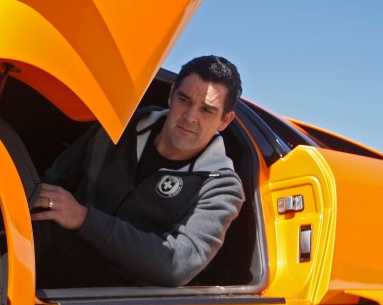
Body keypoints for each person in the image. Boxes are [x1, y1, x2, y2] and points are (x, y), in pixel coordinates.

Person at [31, 55, 245, 288]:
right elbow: (55, 178)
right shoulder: (121, 125)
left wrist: (84, 218)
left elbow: (176, 266)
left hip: (124, 293)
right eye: (184, 100)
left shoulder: (222, 186)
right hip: (64, 249)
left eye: (206, 110)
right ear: (171, 94)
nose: (190, 117)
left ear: (225, 120)